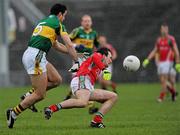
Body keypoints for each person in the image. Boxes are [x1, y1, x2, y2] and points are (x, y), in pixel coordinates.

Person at [6, 3, 78, 128]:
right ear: (60, 14)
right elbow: (69, 44)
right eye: (64, 16)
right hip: (36, 57)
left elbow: (57, 46)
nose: (64, 18)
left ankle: (29, 96)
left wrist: (75, 52)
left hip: (37, 55)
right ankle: (13, 112)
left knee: (56, 80)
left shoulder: (45, 22)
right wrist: (77, 60)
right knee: (40, 94)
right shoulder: (58, 24)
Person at [44, 48, 118, 128]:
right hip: (82, 80)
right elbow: (94, 56)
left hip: (87, 85)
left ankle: (96, 121)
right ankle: (51, 108)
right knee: (82, 102)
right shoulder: (98, 55)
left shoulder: (99, 65)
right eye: (110, 57)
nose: (111, 60)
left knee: (113, 96)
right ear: (104, 56)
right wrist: (104, 69)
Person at [64, 14, 99, 114]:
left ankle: (69, 95)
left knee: (84, 80)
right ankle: (91, 106)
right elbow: (67, 41)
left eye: (89, 21)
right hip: (78, 58)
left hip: (89, 59)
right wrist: (75, 46)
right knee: (81, 80)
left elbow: (96, 46)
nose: (87, 23)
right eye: (85, 21)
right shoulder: (77, 31)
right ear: (81, 22)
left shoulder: (94, 33)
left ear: (91, 22)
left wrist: (96, 57)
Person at [142, 23, 180, 102]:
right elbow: (155, 50)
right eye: (163, 29)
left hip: (168, 62)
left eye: (166, 29)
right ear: (161, 30)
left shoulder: (171, 39)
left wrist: (177, 63)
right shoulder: (159, 40)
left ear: (168, 30)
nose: (164, 31)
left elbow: (176, 51)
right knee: (163, 81)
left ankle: (161, 97)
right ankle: (173, 92)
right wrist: (148, 59)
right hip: (160, 63)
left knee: (166, 80)